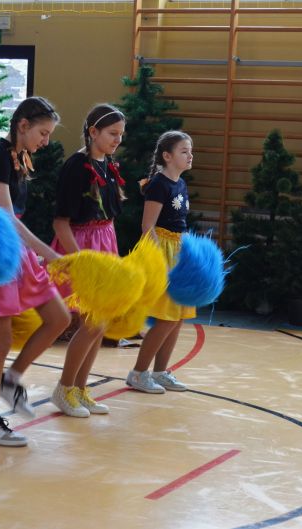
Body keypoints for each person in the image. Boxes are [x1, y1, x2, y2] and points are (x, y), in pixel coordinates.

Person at [0, 97, 71, 446]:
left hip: (14, 248)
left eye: (49, 134)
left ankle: (12, 379)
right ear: (22, 125)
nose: (46, 141)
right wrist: (48, 253)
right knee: (1, 339)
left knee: (59, 317)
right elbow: (6, 216)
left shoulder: (18, 156)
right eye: (43, 133)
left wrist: (33, 252)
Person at [50, 104, 126, 417]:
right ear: (93, 132)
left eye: (121, 135)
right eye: (112, 134)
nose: (118, 140)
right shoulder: (76, 167)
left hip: (104, 243)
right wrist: (80, 260)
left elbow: (108, 215)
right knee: (94, 322)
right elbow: (60, 223)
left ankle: (80, 389)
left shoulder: (108, 164)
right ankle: (64, 388)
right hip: (81, 246)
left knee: (99, 323)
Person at [125, 131, 196, 394]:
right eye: (184, 151)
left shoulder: (181, 183)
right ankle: (138, 373)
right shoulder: (158, 185)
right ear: (167, 156)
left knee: (177, 317)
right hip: (161, 251)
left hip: (178, 251)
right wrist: (161, 263)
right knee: (165, 318)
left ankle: (160, 372)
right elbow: (148, 226)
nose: (190, 155)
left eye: (190, 151)